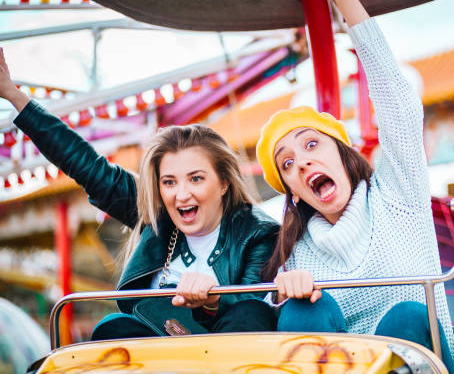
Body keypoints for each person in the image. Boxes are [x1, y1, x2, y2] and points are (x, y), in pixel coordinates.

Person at [255, 0, 454, 372]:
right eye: (289, 164)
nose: (304, 162)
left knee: (406, 319)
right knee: (301, 311)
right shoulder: (296, 254)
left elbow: (397, 102)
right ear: (293, 190)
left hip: (420, 356)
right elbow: (261, 311)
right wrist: (280, 294)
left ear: (343, 154)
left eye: (312, 144)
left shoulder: (398, 194)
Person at [0, 48, 279, 338]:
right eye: (169, 182)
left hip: (226, 353)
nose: (181, 195)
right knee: (112, 328)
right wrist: (13, 95)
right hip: (159, 353)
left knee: (251, 314)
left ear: (223, 183)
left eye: (195, 179)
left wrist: (211, 301)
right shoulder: (157, 215)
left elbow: (251, 307)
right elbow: (84, 164)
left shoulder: (258, 233)